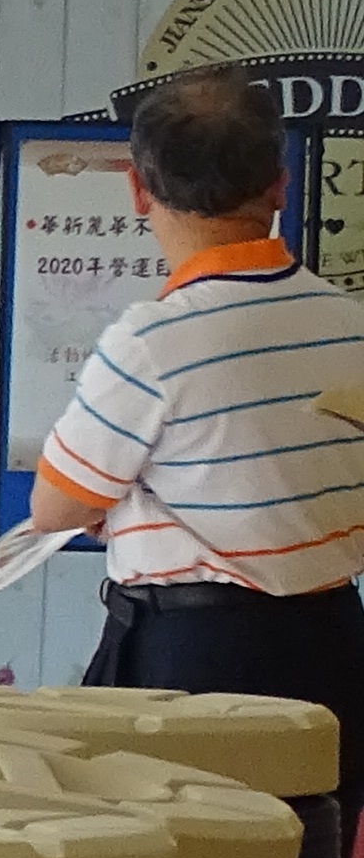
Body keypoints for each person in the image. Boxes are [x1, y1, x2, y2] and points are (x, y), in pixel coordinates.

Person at [24, 70, 364, 728]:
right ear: (281, 186)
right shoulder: (351, 323)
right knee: (314, 828)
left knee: (190, 832)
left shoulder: (150, 340)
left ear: (137, 188)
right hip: (334, 648)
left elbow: (56, 507)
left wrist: (112, 498)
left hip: (193, 660)